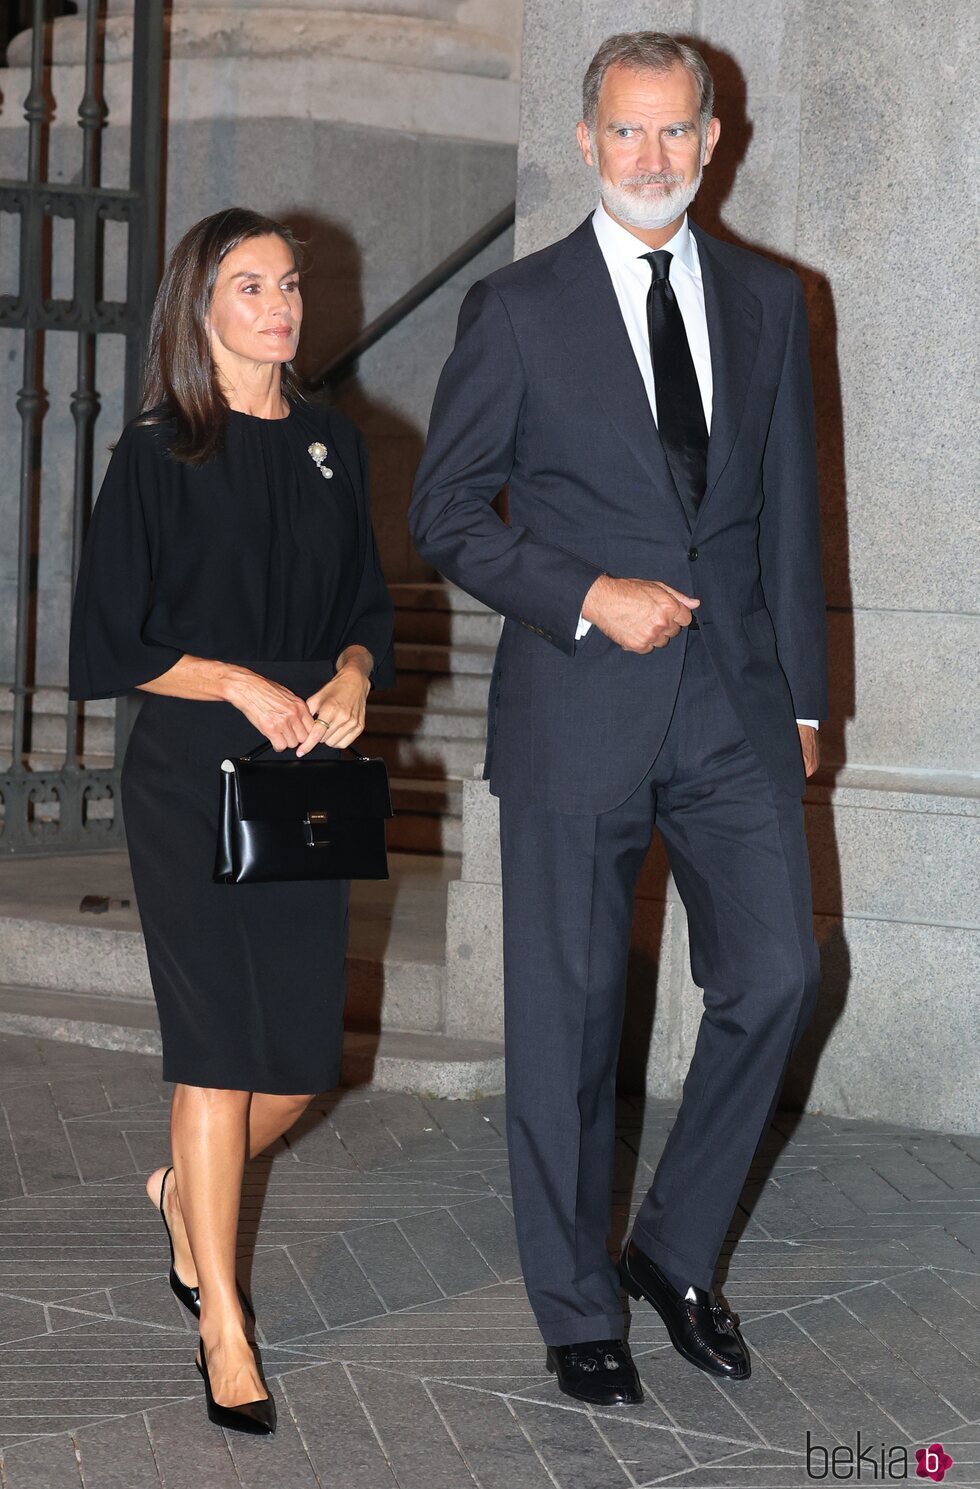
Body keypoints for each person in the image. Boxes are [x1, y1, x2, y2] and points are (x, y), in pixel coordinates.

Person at [410, 32, 826, 1406]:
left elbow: (780, 519)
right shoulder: (518, 309)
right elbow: (448, 513)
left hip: (735, 712)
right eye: (625, 134)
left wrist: (808, 697)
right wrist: (586, 588)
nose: (650, 159)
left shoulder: (773, 304)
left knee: (776, 975)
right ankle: (577, 1302)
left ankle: (673, 1246)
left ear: (715, 143)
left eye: (674, 135)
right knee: (571, 1026)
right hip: (579, 704)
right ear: (586, 142)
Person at [69, 207, 394, 1433]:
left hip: (302, 784)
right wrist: (236, 680)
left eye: (289, 285)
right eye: (249, 284)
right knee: (215, 1050)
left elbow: (365, 599)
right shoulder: (160, 452)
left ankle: (179, 1196)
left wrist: (354, 672)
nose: (278, 305)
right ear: (198, 308)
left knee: (304, 1066)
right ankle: (223, 1323)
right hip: (189, 780)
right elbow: (107, 639)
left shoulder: (329, 444)